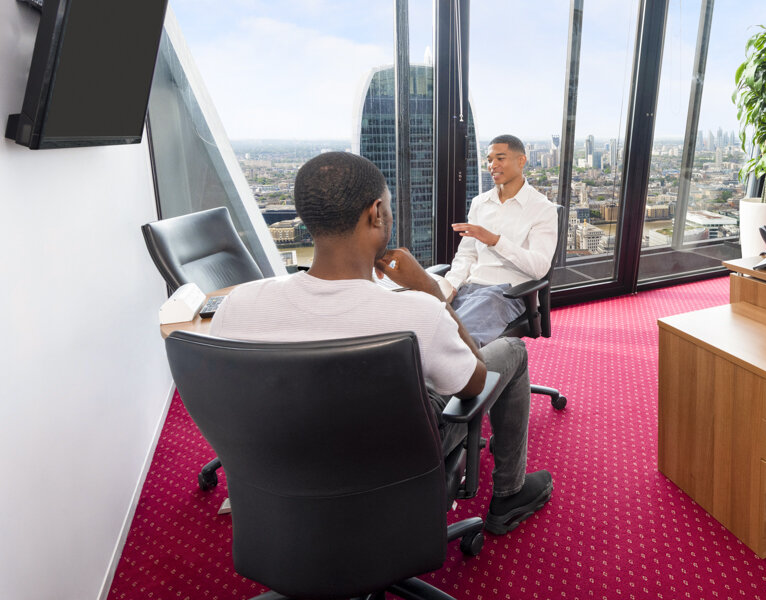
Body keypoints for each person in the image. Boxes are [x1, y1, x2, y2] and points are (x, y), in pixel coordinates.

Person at [210, 151, 552, 535]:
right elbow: (475, 384)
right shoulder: (418, 313)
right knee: (512, 350)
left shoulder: (237, 306)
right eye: (388, 206)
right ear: (376, 213)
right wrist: (431, 292)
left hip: (286, 463)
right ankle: (509, 493)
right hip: (396, 458)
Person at [436, 135, 559, 346]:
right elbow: (466, 254)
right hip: (468, 289)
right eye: (489, 160)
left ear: (521, 160)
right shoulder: (480, 203)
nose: (492, 165)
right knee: (427, 323)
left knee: (454, 341)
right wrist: (452, 285)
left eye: (500, 158)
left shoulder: (542, 208)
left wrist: (495, 241)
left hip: (507, 294)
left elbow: (540, 268)